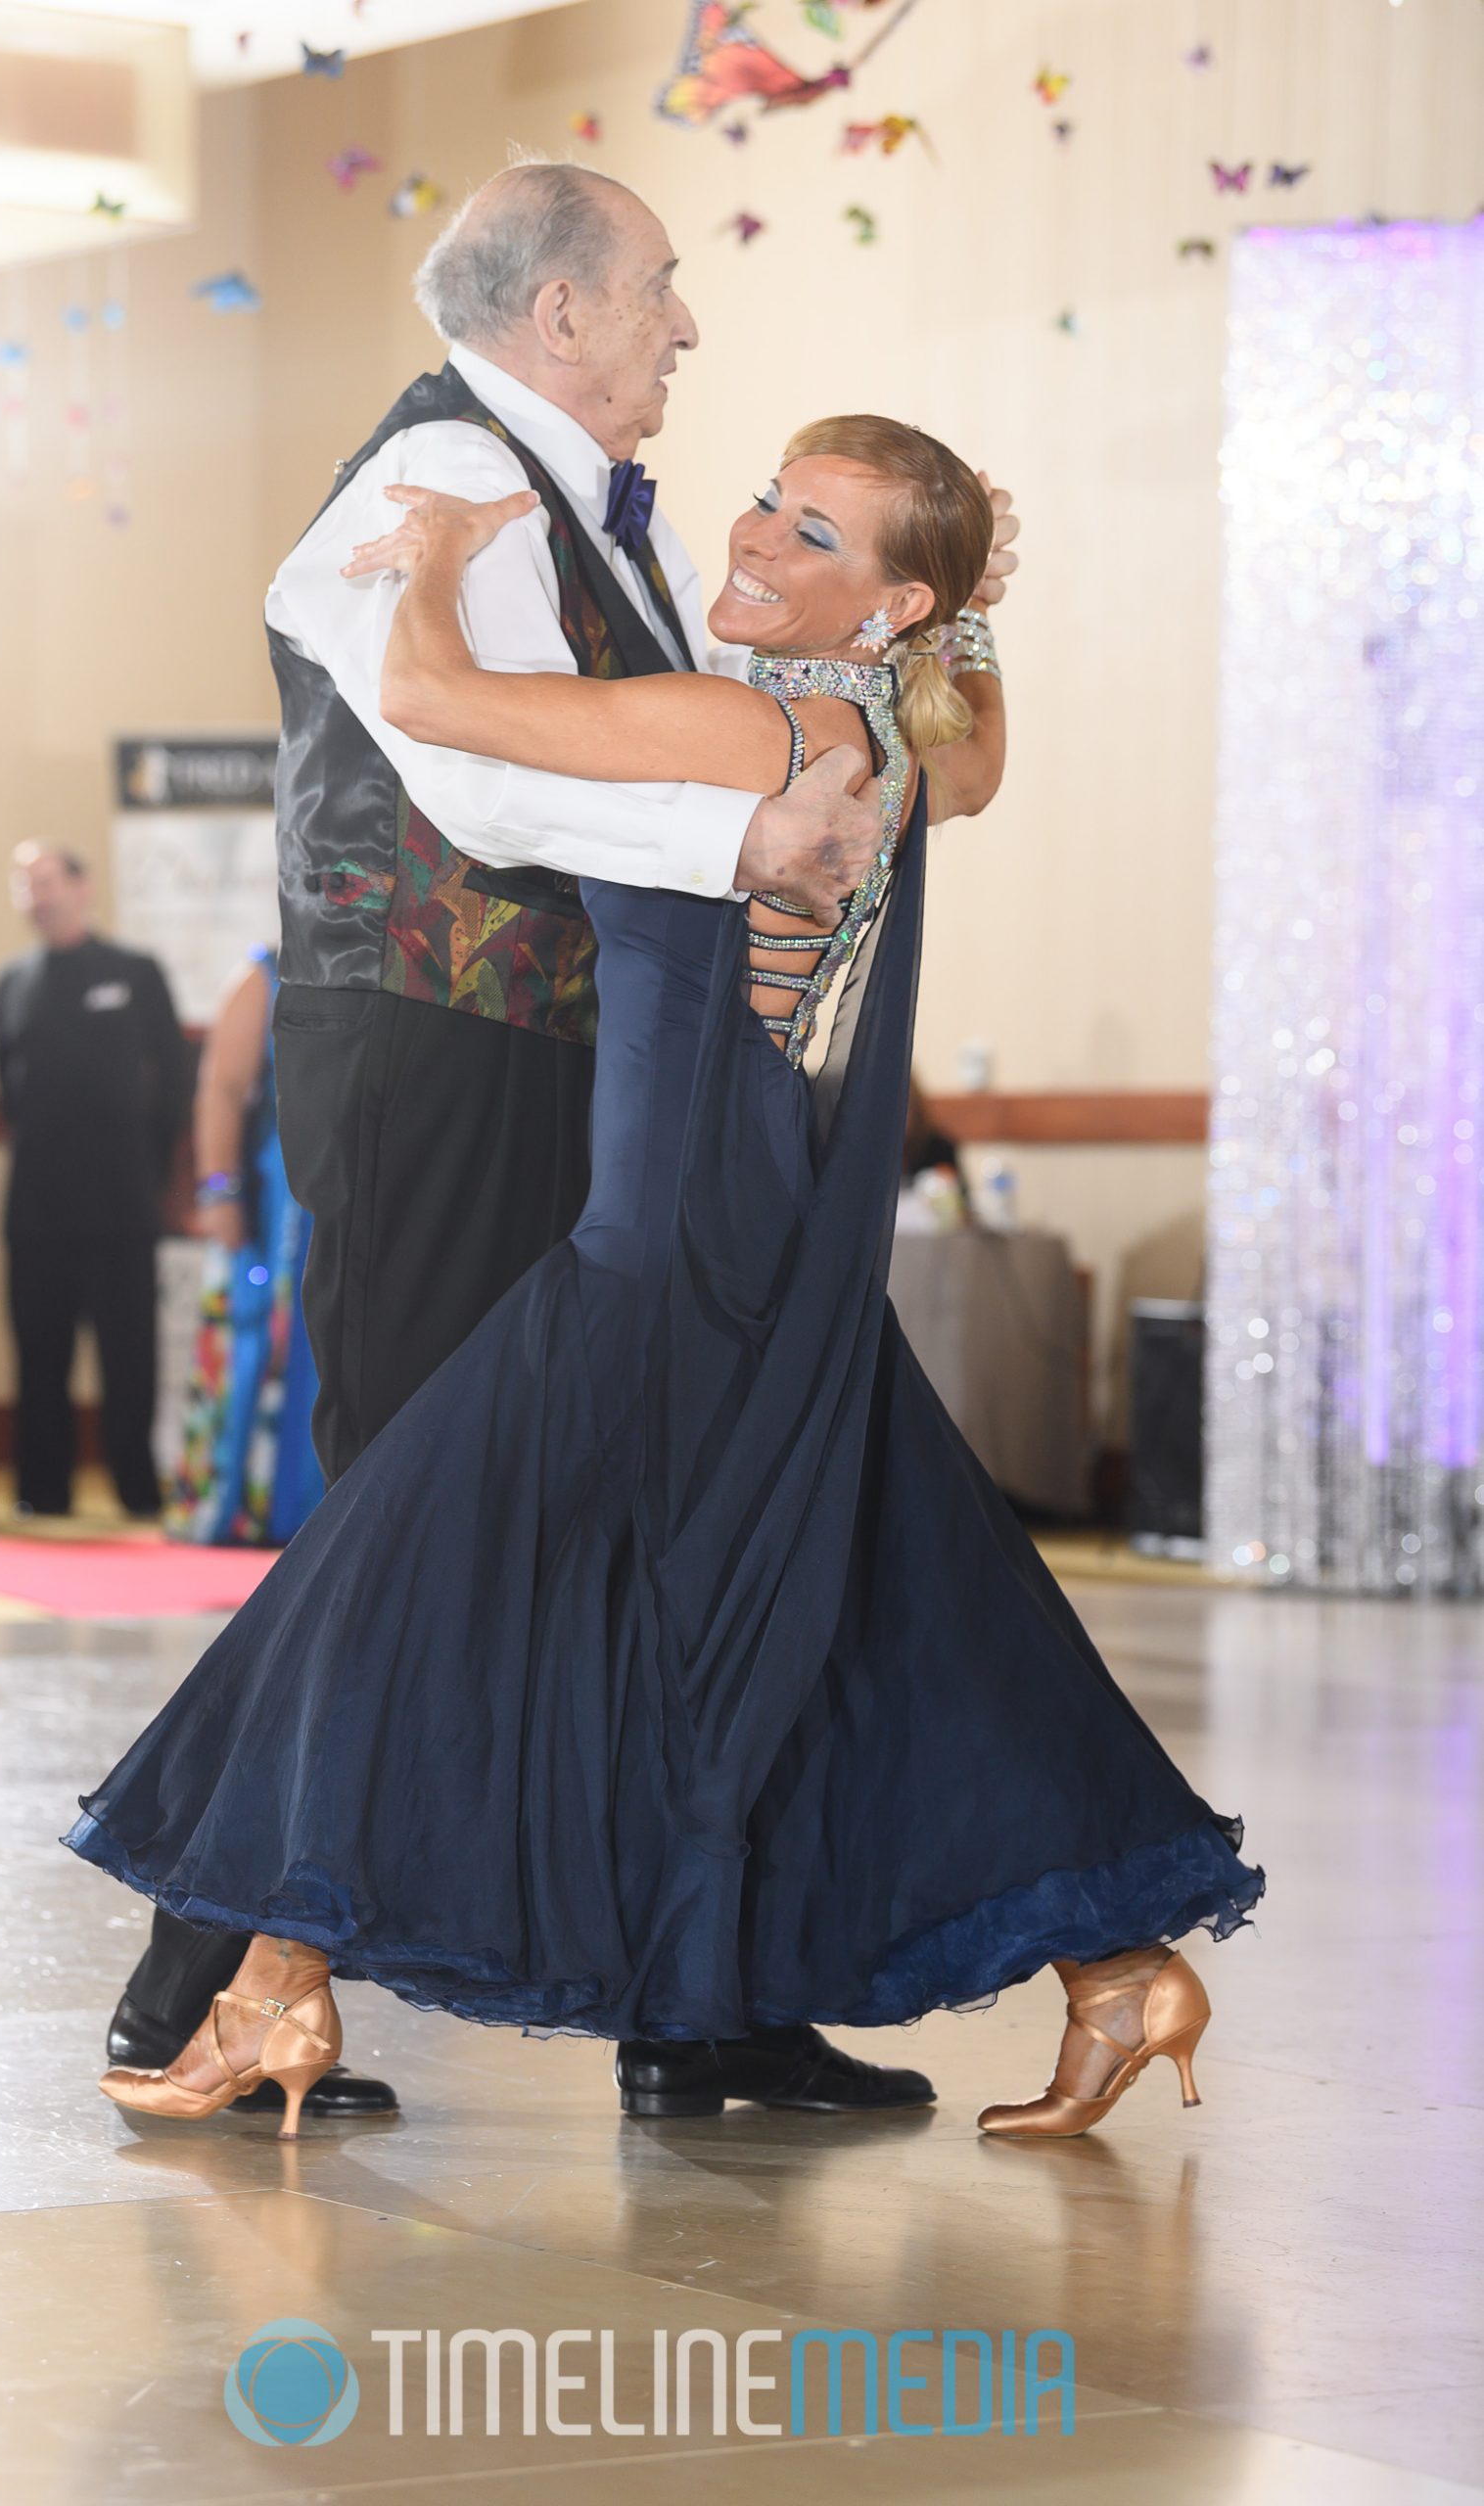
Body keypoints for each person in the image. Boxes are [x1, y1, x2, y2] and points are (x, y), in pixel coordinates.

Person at [67, 411, 1264, 2145]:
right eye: (774, 499)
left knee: (410, 1566)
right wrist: (965, 614)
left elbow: (439, 707)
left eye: (815, 536)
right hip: (746, 1225)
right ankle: (1116, 1970)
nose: (760, 535)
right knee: (885, 1594)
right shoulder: (894, 722)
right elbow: (984, 757)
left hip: (665, 1241)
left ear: (884, 599)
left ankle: (269, 1990)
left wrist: (434, 568)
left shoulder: (746, 720)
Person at [99, 162, 1020, 2124]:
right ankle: (204, 1977)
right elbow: (471, 766)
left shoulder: (595, 508)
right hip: (441, 1050)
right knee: (410, 1499)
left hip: (589, 1067)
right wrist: (748, 834)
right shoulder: (432, 489)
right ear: (564, 317)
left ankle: (695, 2001)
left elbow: (827, 732)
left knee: (647, 1526)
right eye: (661, 286)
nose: (685, 324)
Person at [0, 846, 189, 1520]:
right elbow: (9, 1093)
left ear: (83, 886)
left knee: (129, 1359)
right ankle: (42, 1492)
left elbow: (176, 1087)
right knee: (40, 1358)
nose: (35, 895)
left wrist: (158, 1177)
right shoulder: (11, 982)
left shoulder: (136, 973)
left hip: (121, 1206)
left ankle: (138, 1489)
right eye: (24, 884)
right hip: (37, 1210)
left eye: (46, 881)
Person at [166, 948, 325, 1546]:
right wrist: (219, 1192)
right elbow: (221, 1090)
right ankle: (249, 1503)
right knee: (262, 1338)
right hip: (275, 1202)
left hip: (349, 1189)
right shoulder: (263, 974)